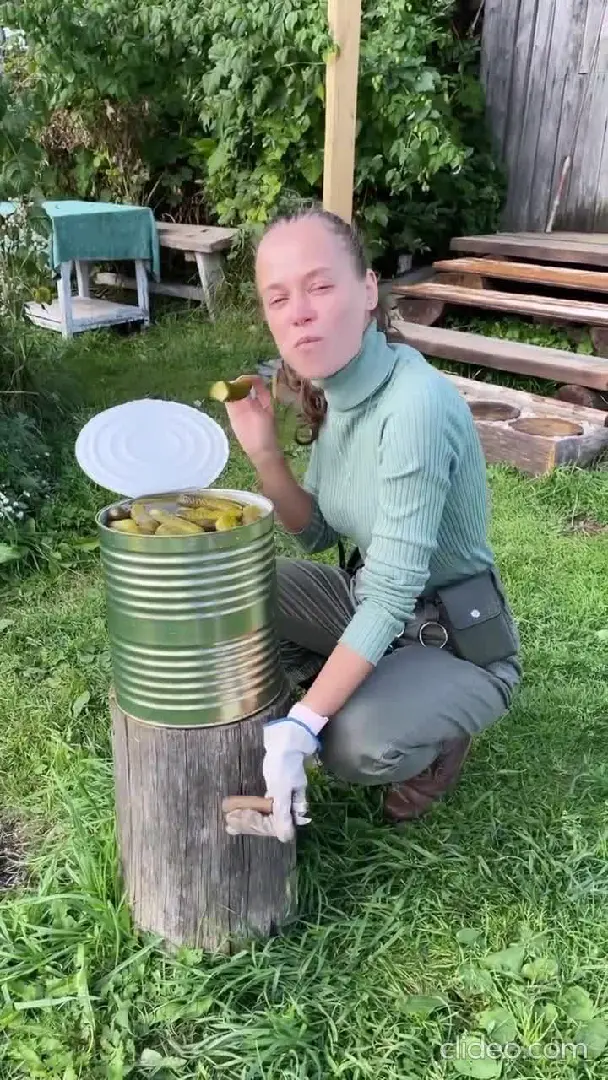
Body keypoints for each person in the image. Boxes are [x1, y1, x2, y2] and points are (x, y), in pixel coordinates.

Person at [221, 206, 522, 843]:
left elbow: (391, 594)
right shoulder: (340, 390)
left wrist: (304, 724)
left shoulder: (413, 406)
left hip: (452, 639)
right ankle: (356, 681)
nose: (299, 312)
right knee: (236, 587)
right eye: (279, 298)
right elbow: (318, 532)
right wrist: (265, 454)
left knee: (349, 743)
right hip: (367, 603)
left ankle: (438, 735)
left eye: (319, 286)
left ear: (367, 291)